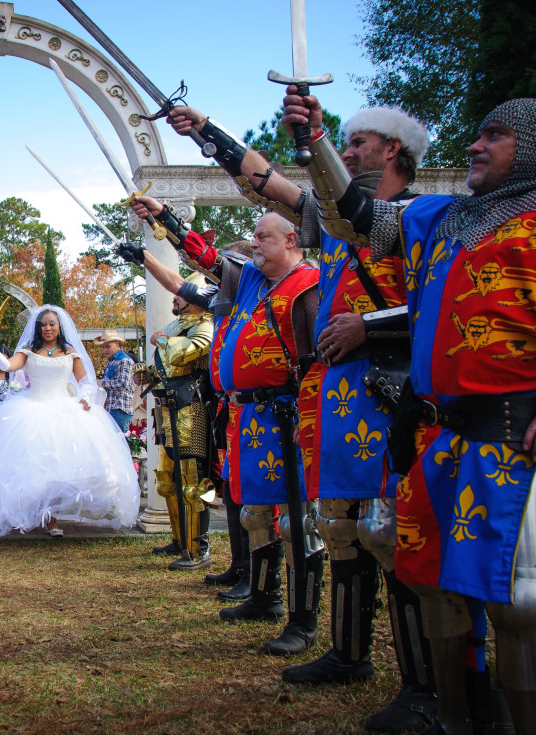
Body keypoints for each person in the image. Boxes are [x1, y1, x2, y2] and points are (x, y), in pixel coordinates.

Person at [162, 101, 440, 731]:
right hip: (335, 402)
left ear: (393, 151)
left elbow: (440, 303)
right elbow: (266, 181)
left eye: (359, 143)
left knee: (393, 535)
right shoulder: (336, 223)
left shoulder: (421, 219)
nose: (347, 155)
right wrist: (207, 132)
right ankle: (347, 652)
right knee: (340, 528)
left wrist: (368, 326)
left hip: (389, 394)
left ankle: (424, 684)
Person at [285, 93, 536, 735]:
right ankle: (455, 720)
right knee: (434, 584)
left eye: (494, 136)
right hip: (443, 438)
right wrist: (315, 143)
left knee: (520, 607)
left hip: (517, 438)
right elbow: (353, 214)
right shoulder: (441, 218)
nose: (475, 146)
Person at [122, 208, 324, 657]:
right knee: (253, 513)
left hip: (287, 413)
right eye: (252, 236)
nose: (253, 243)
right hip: (246, 416)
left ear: (292, 239)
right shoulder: (250, 283)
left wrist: (312, 415)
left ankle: (303, 618)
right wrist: (167, 225)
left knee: (295, 520)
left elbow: (316, 357)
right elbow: (200, 265)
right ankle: (264, 596)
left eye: (263, 236)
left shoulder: (307, 284)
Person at [0, 305, 140, 537]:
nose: (47, 328)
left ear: (59, 328)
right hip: (31, 409)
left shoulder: (70, 353)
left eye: (52, 324)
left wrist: (86, 399)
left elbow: (86, 382)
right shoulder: (28, 351)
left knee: (60, 468)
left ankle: (53, 518)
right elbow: (7, 366)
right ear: (38, 328)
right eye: (43, 324)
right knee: (34, 467)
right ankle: (38, 515)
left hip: (65, 411)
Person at [132, 279, 215, 570]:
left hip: (191, 408)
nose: (175, 299)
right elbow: (166, 368)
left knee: (193, 479)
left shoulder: (206, 325)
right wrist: (147, 373)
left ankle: (198, 548)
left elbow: (185, 354)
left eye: (181, 295)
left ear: (196, 299)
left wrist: (163, 340)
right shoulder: (174, 325)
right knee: (169, 480)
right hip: (167, 409)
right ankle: (180, 540)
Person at [94, 330, 135, 432]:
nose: (104, 350)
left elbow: (123, 383)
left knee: (119, 441)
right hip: (112, 407)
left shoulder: (124, 360)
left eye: (107, 346)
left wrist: (102, 383)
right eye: (103, 347)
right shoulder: (112, 361)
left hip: (120, 408)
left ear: (117, 344)